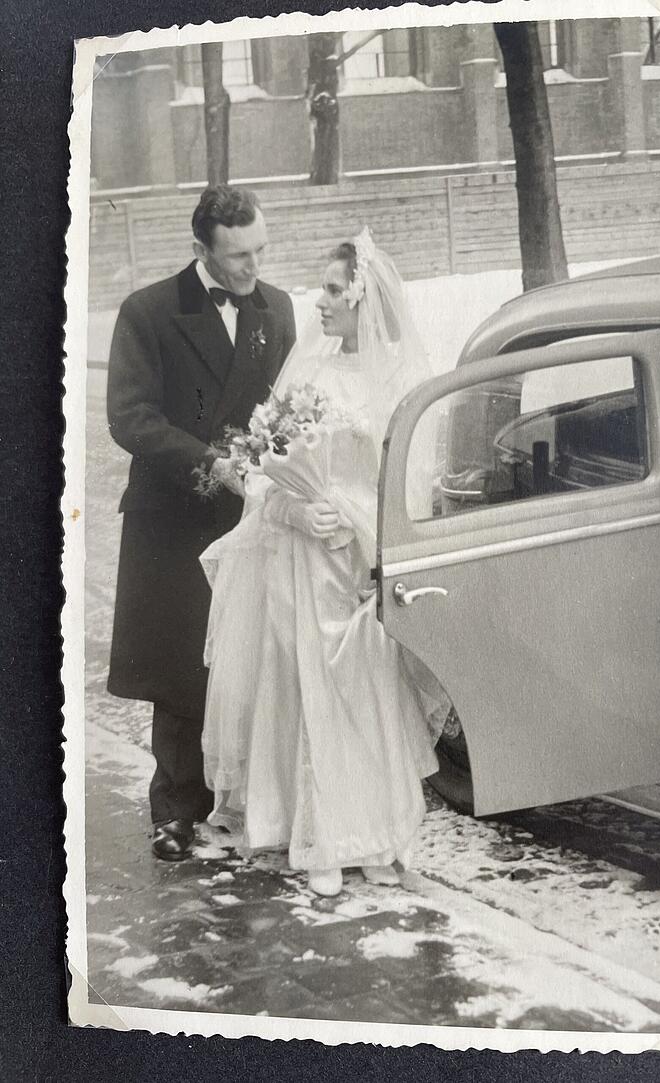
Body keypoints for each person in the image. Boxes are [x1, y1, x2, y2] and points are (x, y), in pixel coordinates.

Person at [200, 229, 445, 897]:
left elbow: (407, 489)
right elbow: (262, 475)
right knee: (302, 693)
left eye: (335, 290)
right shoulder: (305, 372)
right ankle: (316, 837)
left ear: (365, 295)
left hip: (357, 566)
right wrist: (300, 510)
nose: (322, 303)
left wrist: (360, 527)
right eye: (322, 290)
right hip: (298, 562)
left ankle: (376, 839)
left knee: (365, 698)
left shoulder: (403, 381)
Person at [106, 185, 296, 862]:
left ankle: (244, 797)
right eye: (238, 255)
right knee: (183, 665)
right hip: (175, 516)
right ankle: (174, 810)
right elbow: (130, 417)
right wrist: (211, 462)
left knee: (249, 656)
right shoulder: (149, 312)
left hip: (250, 514)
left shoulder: (277, 308)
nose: (252, 267)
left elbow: (283, 407)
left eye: (260, 251)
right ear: (202, 251)